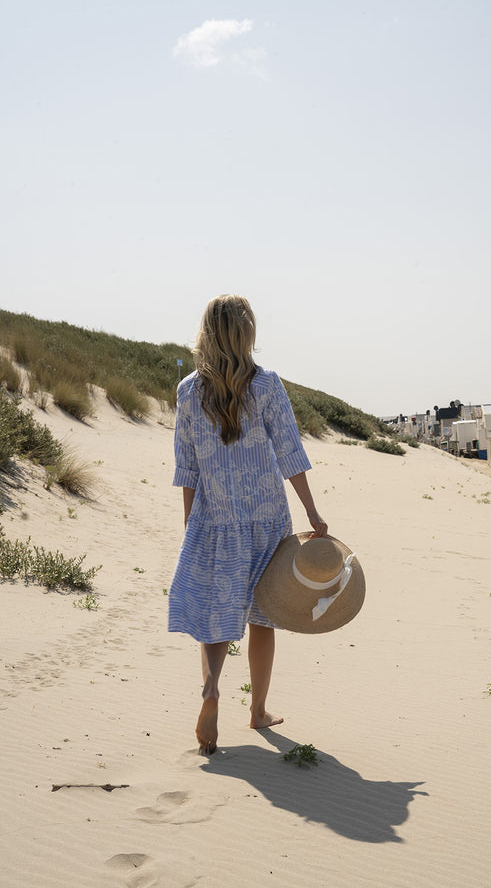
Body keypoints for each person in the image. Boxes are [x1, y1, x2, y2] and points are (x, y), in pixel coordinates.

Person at [168, 294, 327, 755]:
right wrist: (313, 513)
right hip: (266, 520)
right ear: (247, 333)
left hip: (215, 519)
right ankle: (257, 711)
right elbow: (290, 454)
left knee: (216, 614)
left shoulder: (187, 391)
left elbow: (187, 469)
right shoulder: (268, 385)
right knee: (264, 615)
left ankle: (212, 687)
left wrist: (189, 526)